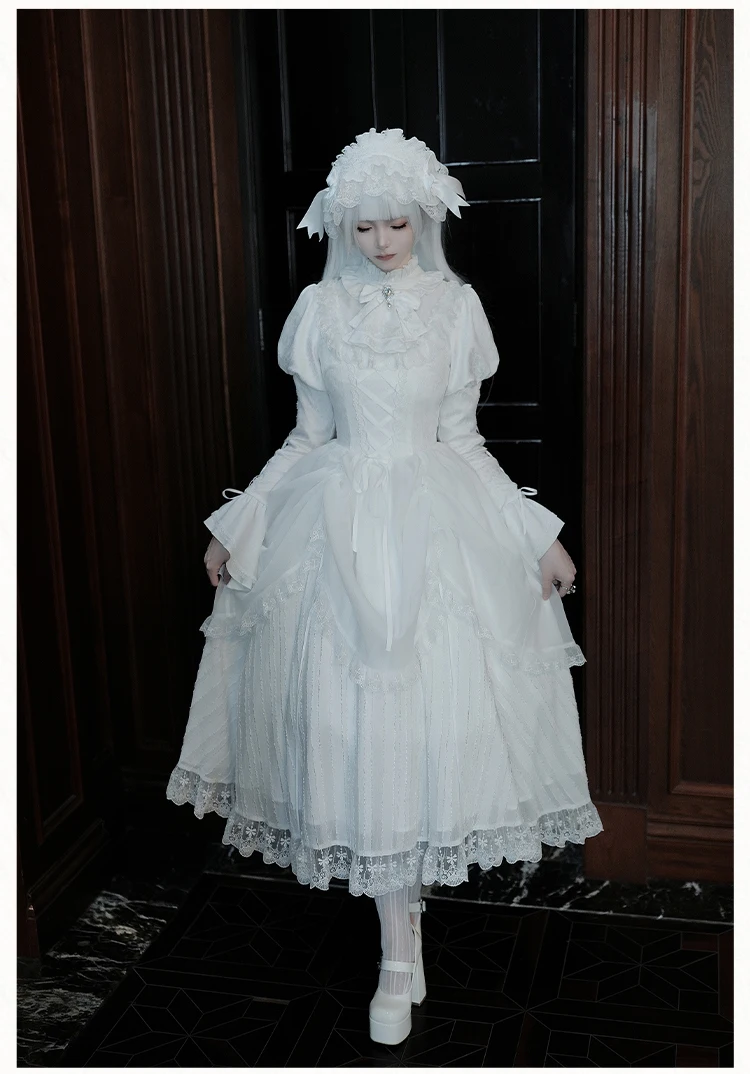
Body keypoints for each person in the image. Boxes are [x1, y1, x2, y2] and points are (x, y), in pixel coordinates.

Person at [167, 128, 603, 1045]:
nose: (380, 242)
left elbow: (465, 440)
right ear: (341, 226)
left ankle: (403, 945)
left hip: (434, 527)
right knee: (353, 729)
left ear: (424, 219)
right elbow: (307, 438)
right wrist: (234, 526)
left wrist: (540, 535)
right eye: (362, 227)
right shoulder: (319, 310)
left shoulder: (456, 307)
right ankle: (396, 951)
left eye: (396, 223)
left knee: (421, 727)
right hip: (334, 532)